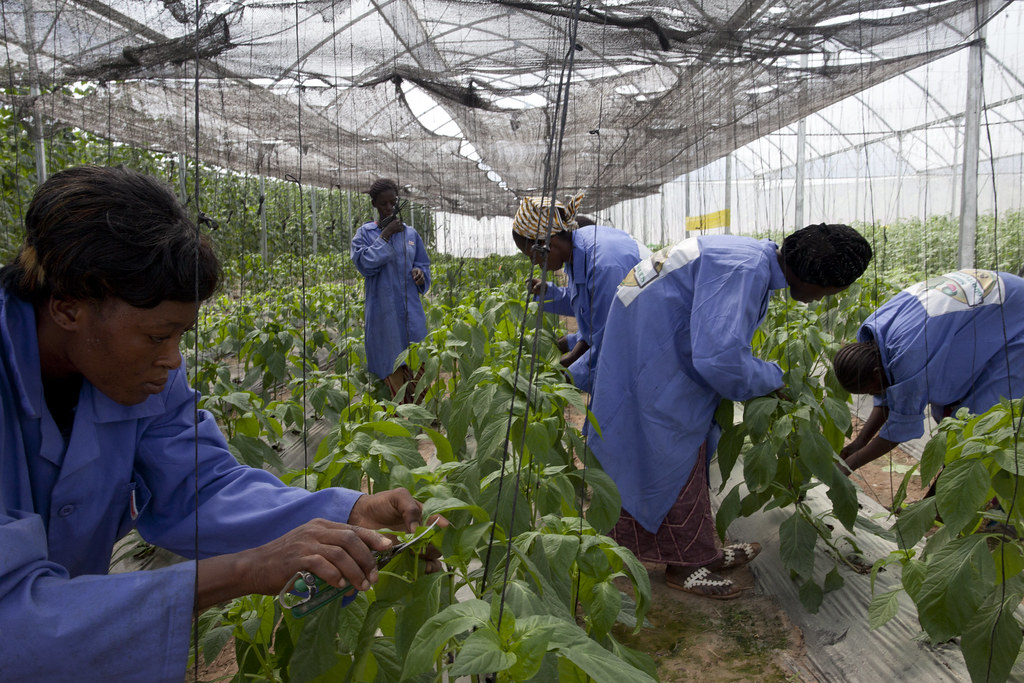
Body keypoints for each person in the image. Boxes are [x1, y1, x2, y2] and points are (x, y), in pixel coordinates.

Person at [0, 166, 442, 681]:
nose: (172, 361)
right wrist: (247, 568)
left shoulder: (138, 370)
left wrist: (351, 511)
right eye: (157, 336)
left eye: (180, 336)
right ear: (67, 308)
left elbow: (199, 485)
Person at [588, 224, 872, 599]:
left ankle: (699, 550)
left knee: (663, 459)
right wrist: (773, 379)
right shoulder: (744, 270)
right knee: (674, 462)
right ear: (815, 277)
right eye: (829, 291)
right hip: (653, 362)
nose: (821, 300)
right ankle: (687, 565)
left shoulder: (747, 256)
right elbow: (720, 359)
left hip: (649, 351)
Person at [833, 269, 1024, 473]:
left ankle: (950, 502)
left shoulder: (908, 357)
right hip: (996, 294)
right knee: (949, 418)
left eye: (871, 391)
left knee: (977, 425)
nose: (874, 396)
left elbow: (898, 429)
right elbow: (891, 395)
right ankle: (941, 496)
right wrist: (859, 442)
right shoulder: (873, 334)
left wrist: (850, 465)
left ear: (877, 373)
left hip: (1015, 313)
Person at [511, 193, 649, 392]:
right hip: (637, 333)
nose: (534, 264)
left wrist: (566, 377)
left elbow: (611, 344)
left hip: (653, 338)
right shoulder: (578, 252)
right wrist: (547, 292)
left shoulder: (603, 265)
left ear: (549, 245)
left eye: (532, 257)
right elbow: (588, 304)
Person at [351, 178, 431, 402]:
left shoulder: (411, 235)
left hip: (410, 310)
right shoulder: (365, 234)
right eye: (383, 204)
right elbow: (365, 264)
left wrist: (419, 273)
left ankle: (424, 412)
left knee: (417, 355)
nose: (388, 208)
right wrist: (384, 236)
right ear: (375, 204)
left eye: (392, 203)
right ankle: (397, 417)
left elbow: (423, 264)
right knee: (390, 357)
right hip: (383, 313)